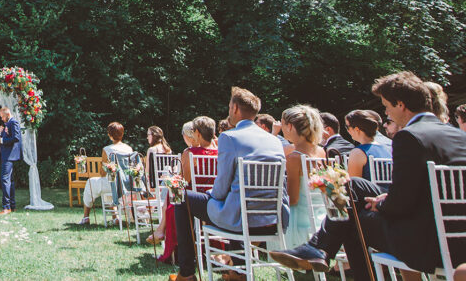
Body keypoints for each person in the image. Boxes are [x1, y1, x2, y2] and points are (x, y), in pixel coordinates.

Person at [270, 71, 466, 280]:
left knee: (353, 217)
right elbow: (423, 190)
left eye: (386, 107)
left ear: (400, 104)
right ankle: (319, 248)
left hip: (427, 242)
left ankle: (320, 249)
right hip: (456, 236)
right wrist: (386, 198)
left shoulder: (409, 136)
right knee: (353, 184)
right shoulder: (459, 135)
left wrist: (382, 204)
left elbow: (401, 204)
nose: (387, 114)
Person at [170, 86, 288, 281]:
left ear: (234, 109)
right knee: (234, 199)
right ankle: (238, 272)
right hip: (272, 219)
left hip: (241, 218)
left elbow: (221, 187)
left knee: (181, 198)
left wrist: (210, 193)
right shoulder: (274, 141)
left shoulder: (230, 137)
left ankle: (187, 273)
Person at [156, 117, 217, 260]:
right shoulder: (219, 152)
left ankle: (179, 252)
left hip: (193, 201)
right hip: (214, 199)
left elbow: (184, 181)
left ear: (197, 133)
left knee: (174, 201)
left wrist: (171, 180)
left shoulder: (190, 153)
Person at [279, 105, 326, 248]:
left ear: (291, 127)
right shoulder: (321, 152)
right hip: (320, 216)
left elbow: (293, 199)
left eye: (282, 124)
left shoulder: (294, 158)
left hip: (299, 220)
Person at [77, 122, 134, 224]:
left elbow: (103, 172)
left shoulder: (107, 149)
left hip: (112, 184)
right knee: (104, 184)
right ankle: (115, 217)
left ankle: (86, 217)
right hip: (125, 184)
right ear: (122, 134)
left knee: (91, 183)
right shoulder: (129, 149)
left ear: (109, 134)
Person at [344, 109, 392, 181]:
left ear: (357, 129)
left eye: (347, 127)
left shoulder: (357, 153)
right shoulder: (388, 148)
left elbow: (353, 185)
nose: (347, 131)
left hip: (371, 192)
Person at [0, 106, 22, 215]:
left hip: (9, 155)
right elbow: (7, 137)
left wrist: (2, 140)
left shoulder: (13, 122)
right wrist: (0, 134)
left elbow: (16, 138)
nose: (1, 119)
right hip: (6, 154)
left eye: (2, 117)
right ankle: (12, 206)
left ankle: (6, 207)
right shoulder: (7, 124)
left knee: (5, 180)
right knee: (10, 181)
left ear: (7, 115)